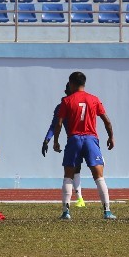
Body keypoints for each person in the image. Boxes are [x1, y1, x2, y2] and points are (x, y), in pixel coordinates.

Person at [52, 71, 115, 221]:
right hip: (90, 139)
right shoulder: (94, 99)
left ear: (72, 84)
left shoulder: (67, 101)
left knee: (68, 175)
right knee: (99, 176)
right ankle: (107, 211)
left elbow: (59, 123)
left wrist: (56, 141)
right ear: (84, 84)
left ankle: (66, 212)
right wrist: (111, 137)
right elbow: (107, 120)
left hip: (74, 139)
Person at [42, 81, 85, 209]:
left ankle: (77, 200)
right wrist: (47, 140)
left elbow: (55, 126)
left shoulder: (73, 105)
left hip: (80, 140)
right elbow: (55, 125)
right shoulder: (63, 106)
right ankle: (79, 199)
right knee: (75, 169)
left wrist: (48, 140)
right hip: (79, 140)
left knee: (74, 170)